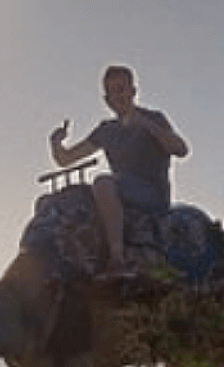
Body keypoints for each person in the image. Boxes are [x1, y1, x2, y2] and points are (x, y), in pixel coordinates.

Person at [48, 64, 189, 274]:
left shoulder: (153, 118)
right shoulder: (106, 130)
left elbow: (180, 149)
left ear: (133, 91)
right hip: (120, 191)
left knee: (103, 182)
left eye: (122, 89)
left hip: (151, 193)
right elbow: (67, 159)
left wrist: (147, 125)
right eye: (113, 92)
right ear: (107, 100)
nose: (119, 96)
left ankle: (117, 257)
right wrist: (56, 143)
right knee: (70, 197)